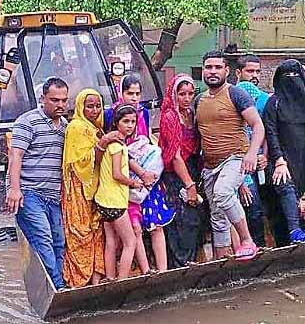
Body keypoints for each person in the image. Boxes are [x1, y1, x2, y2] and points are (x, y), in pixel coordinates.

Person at [195, 50, 265, 260]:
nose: (213, 71)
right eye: (209, 67)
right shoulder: (199, 100)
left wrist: (252, 153)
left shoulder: (236, 94)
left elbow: (258, 125)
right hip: (210, 165)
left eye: (218, 67)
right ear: (203, 71)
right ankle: (221, 262)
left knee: (224, 192)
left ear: (227, 70)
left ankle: (247, 240)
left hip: (236, 158)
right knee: (217, 216)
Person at [6, 77, 69, 291]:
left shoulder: (66, 127)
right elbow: (16, 156)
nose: (60, 105)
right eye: (54, 100)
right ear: (42, 98)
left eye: (63, 100)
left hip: (54, 195)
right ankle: (58, 288)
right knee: (43, 239)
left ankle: (55, 284)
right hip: (30, 193)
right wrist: (15, 189)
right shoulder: (27, 121)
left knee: (59, 242)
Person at [105, 74, 172, 272]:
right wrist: (141, 175)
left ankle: (162, 270)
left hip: (146, 177)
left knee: (155, 224)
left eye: (137, 93)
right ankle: (144, 270)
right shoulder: (113, 115)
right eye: (129, 93)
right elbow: (121, 151)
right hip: (128, 180)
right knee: (134, 228)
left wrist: (151, 174)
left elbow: (146, 141)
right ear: (121, 92)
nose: (134, 98)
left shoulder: (141, 113)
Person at [62, 89, 122, 287]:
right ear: (80, 107)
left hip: (95, 189)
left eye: (98, 106)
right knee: (80, 234)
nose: (95, 110)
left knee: (97, 233)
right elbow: (82, 163)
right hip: (79, 190)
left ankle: (96, 280)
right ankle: (78, 282)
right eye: (90, 106)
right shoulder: (77, 127)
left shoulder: (96, 127)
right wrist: (103, 143)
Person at [159, 73, 206, 267]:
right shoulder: (170, 117)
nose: (186, 98)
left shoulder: (191, 113)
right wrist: (190, 184)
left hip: (192, 168)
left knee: (195, 219)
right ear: (173, 95)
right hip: (176, 174)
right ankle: (180, 264)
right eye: (182, 94)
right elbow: (175, 155)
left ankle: (192, 261)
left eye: (190, 94)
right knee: (182, 220)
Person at [95, 104, 140, 280]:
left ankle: (111, 278)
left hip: (103, 201)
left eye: (133, 122)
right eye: (126, 121)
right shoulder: (118, 146)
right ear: (116, 123)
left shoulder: (110, 143)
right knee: (130, 242)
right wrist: (134, 183)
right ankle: (121, 280)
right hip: (114, 202)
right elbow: (117, 174)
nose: (130, 125)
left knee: (111, 242)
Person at [263, 59, 305, 243]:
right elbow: (271, 133)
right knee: (285, 185)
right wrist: (279, 160)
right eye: (287, 76)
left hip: (303, 161)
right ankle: (294, 231)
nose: (291, 80)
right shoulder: (274, 103)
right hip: (281, 161)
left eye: (295, 75)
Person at [236, 80, 270, 248]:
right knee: (252, 205)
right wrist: (241, 181)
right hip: (240, 168)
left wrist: (264, 155)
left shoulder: (261, 109)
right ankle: (254, 244)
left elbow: (266, 130)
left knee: (266, 204)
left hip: (259, 163)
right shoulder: (233, 121)